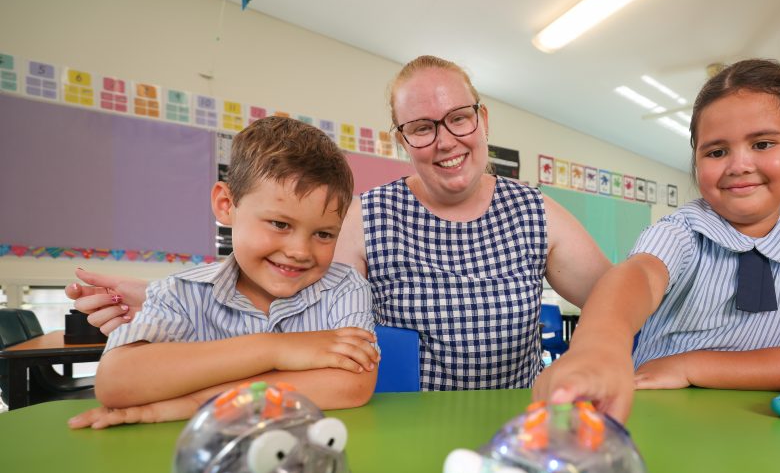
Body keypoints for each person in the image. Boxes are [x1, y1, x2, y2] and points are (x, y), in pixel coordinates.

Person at [69, 55, 610, 391]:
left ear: (481, 119)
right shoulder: (366, 214)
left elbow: (615, 297)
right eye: (421, 127)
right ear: (402, 140)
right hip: (395, 418)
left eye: (459, 118)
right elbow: (290, 282)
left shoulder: (535, 210)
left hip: (511, 415)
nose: (445, 140)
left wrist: (593, 349)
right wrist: (175, 296)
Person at [533, 59, 780, 422]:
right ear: (696, 159)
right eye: (716, 152)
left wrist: (688, 366)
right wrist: (601, 341)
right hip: (655, 412)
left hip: (757, 421)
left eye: (762, 143)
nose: (739, 165)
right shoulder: (682, 230)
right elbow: (641, 275)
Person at [68, 116, 380, 429]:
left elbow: (351, 386)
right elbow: (116, 382)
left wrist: (194, 403)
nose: (300, 251)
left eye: (324, 234)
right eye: (280, 224)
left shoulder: (344, 287)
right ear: (226, 204)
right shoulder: (179, 292)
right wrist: (274, 349)